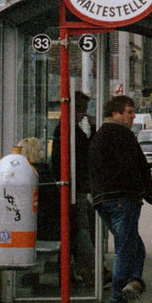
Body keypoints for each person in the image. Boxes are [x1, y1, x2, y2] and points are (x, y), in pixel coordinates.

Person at [90, 95, 152, 303]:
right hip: (122, 199)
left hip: (103, 200)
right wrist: (137, 194)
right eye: (129, 111)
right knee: (126, 249)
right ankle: (118, 302)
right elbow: (131, 167)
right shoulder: (122, 135)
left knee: (135, 247)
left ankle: (133, 283)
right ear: (116, 113)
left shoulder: (99, 135)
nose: (133, 115)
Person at [50, 91, 96, 283]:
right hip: (73, 187)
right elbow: (87, 152)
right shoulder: (67, 130)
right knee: (82, 228)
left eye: (85, 110)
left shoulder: (70, 129)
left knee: (79, 228)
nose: (83, 114)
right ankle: (89, 268)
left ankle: (79, 269)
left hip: (74, 186)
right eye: (80, 110)